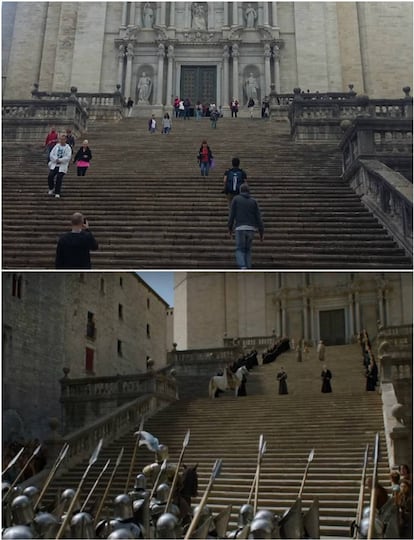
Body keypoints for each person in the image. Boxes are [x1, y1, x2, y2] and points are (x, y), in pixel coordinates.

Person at [228, 183, 264, 270]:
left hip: (240, 228)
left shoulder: (236, 199)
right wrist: (261, 232)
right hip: (251, 229)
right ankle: (248, 266)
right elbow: (258, 217)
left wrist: (230, 228)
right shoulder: (253, 201)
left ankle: (243, 266)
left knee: (240, 249)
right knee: (248, 250)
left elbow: (232, 215)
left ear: (240, 190)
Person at [47, 133, 72, 198]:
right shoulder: (56, 146)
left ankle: (57, 192)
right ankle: (51, 188)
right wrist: (56, 159)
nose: (61, 140)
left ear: (65, 140)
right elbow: (51, 154)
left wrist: (60, 160)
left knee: (59, 178)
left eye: (63, 139)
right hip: (55, 164)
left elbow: (68, 157)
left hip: (62, 166)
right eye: (60, 139)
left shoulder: (68, 148)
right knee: (50, 176)